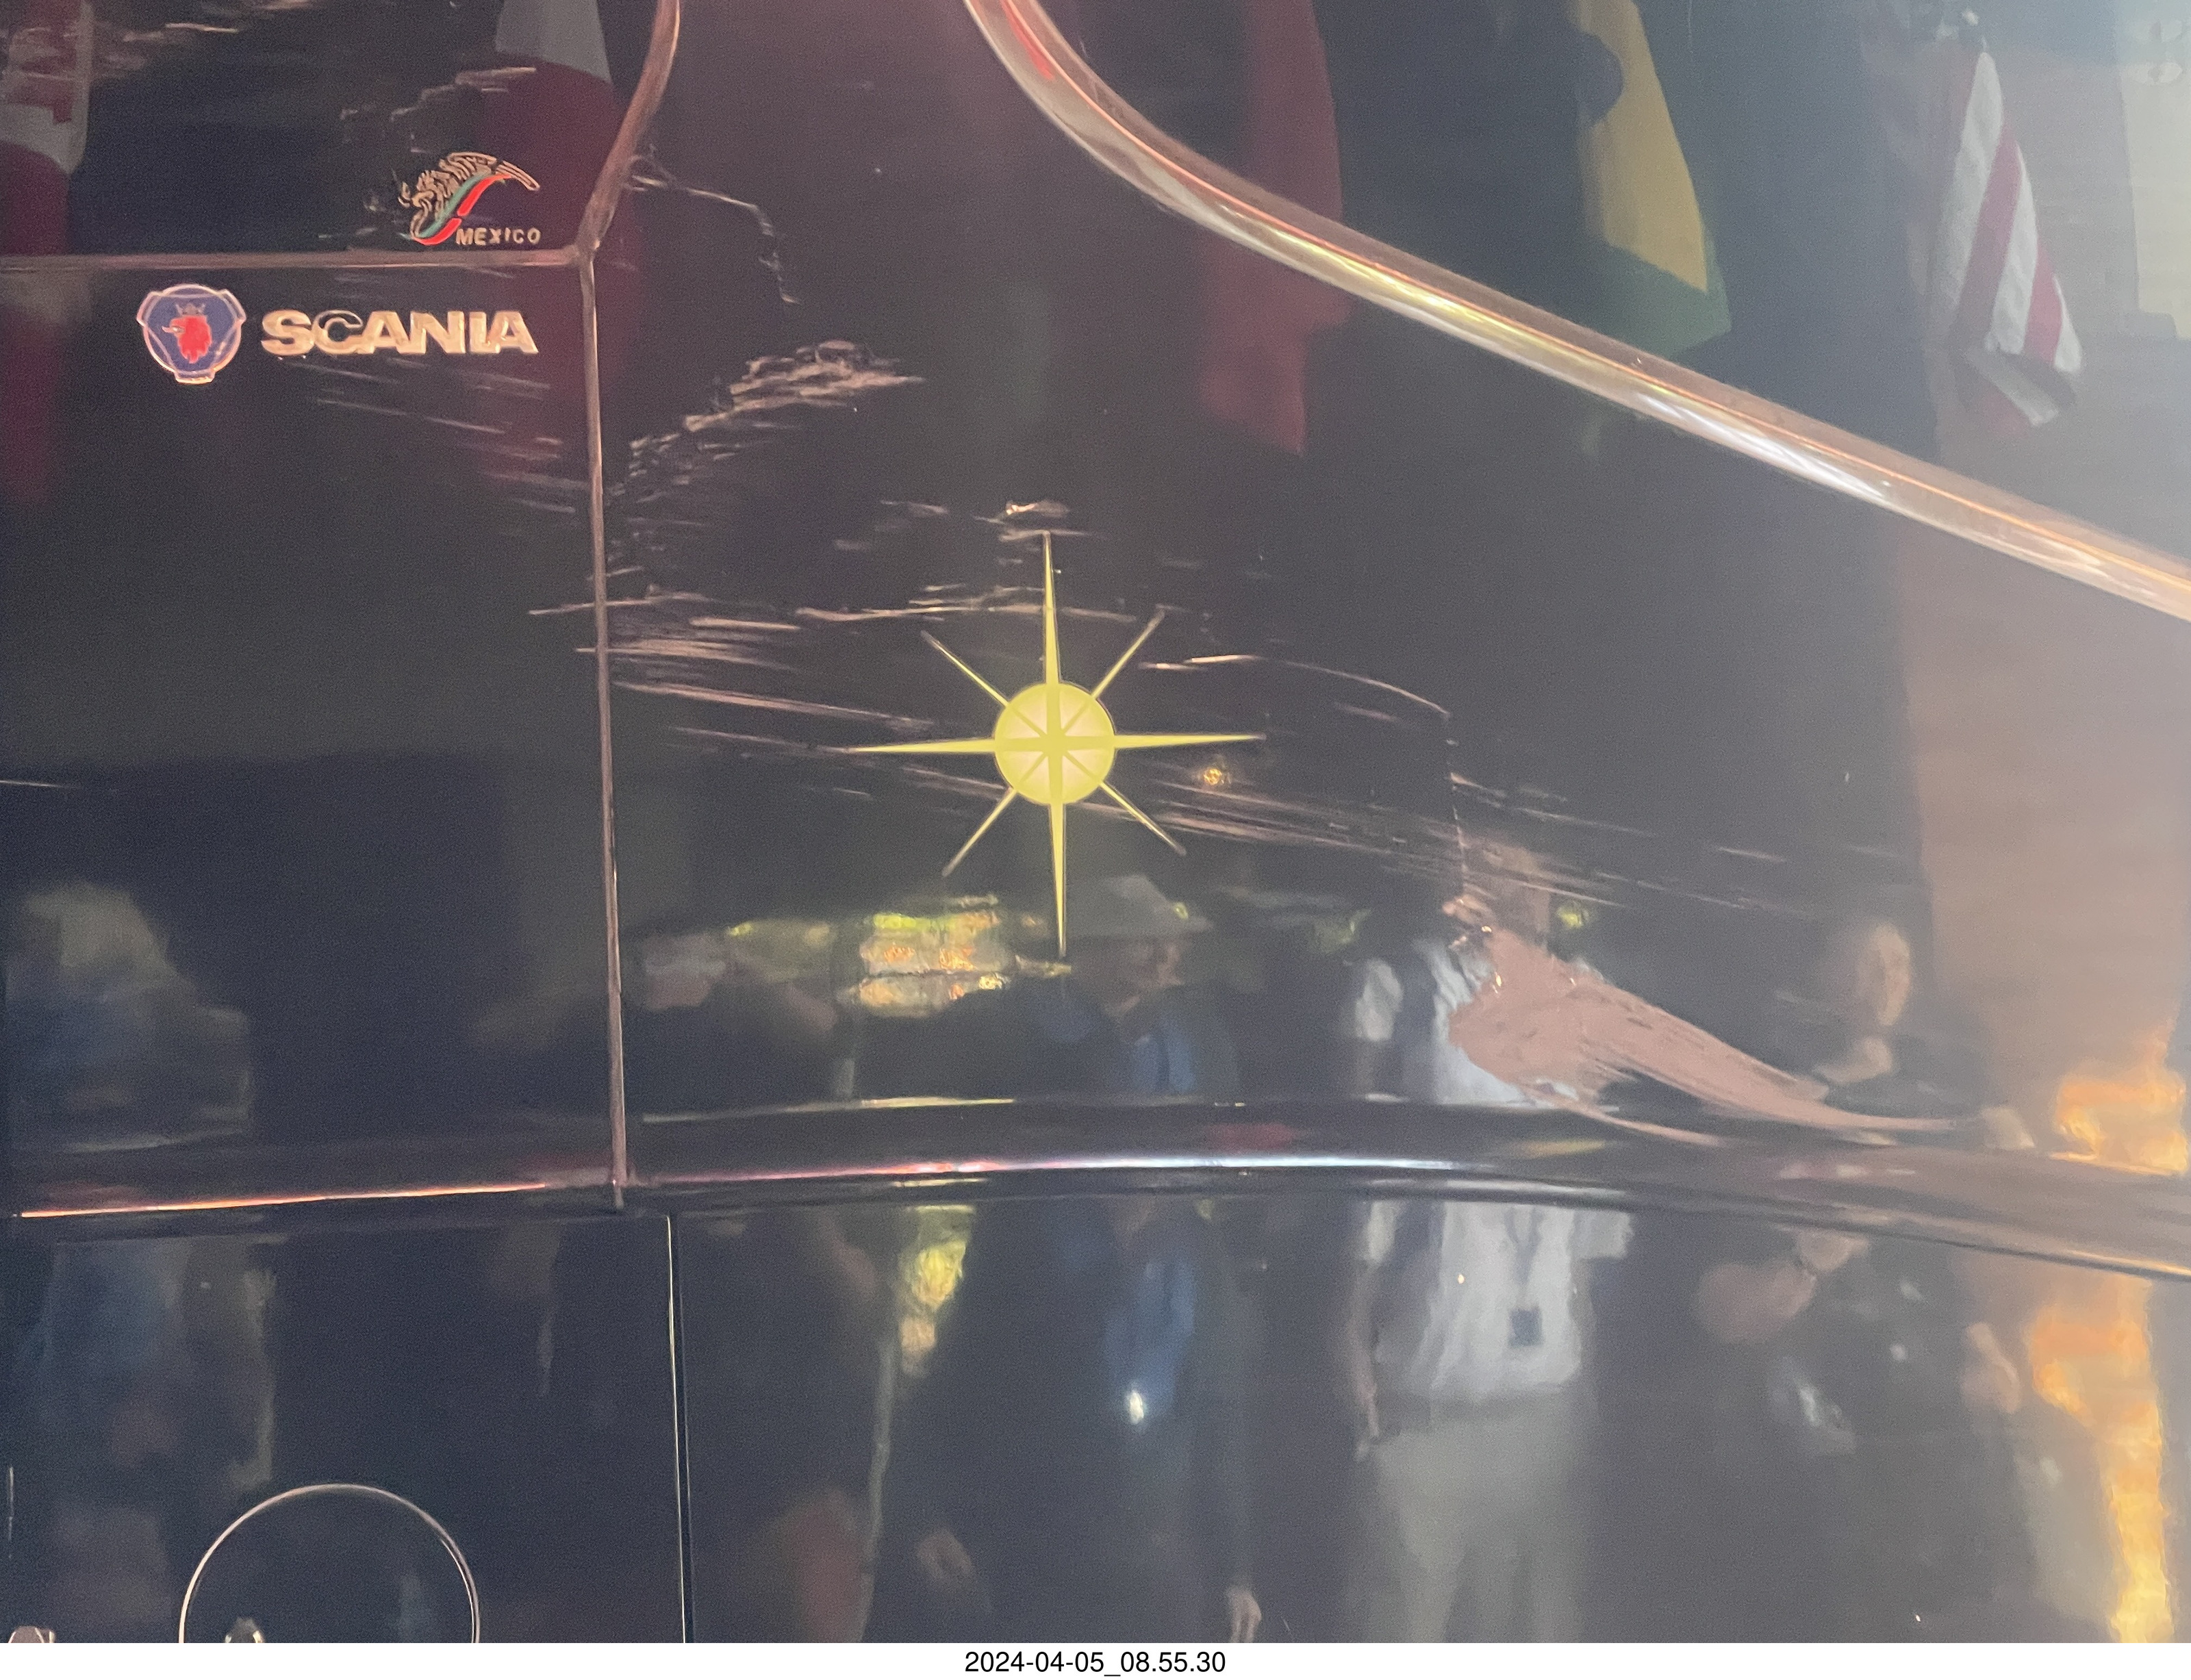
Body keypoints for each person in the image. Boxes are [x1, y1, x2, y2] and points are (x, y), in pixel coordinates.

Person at [883, 1197, 1260, 1642]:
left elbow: (1218, 1419)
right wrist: (923, 1516)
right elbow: (958, 1379)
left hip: (1152, 1567)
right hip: (1025, 1562)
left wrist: (1234, 1572)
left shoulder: (1199, 1252)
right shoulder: (1024, 1230)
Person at [1334, 1195, 1628, 1641]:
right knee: (1406, 1627)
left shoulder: (1582, 1160)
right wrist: (1362, 1397)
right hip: (1425, 1435)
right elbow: (1357, 1287)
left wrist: (1587, 1401)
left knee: (1532, 1628)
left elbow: (1584, 1281)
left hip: (1544, 1430)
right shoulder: (1423, 1163)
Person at [904, 875, 1240, 1101]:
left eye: (1173, 943)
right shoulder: (996, 1022)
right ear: (1086, 948)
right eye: (1142, 942)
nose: (1164, 957)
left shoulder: (1196, 1028)